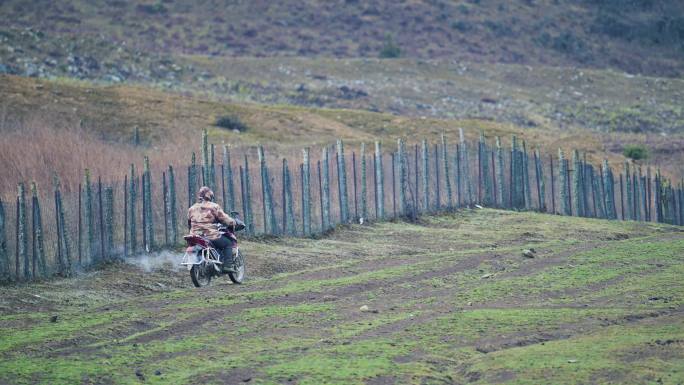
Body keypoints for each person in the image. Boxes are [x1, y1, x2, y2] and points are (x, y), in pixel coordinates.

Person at [187, 186, 236, 268]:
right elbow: (224, 219)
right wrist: (233, 222)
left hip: (194, 236)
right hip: (210, 235)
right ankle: (228, 266)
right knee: (228, 243)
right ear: (209, 195)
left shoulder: (191, 208)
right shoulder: (213, 206)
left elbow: (189, 223)